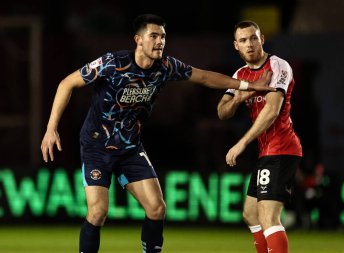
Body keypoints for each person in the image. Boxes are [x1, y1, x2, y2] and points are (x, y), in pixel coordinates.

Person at [40, 14, 274, 253]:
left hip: (130, 148)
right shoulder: (112, 63)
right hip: (97, 146)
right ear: (138, 40)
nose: (160, 41)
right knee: (98, 212)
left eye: (163, 36)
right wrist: (51, 128)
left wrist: (248, 85)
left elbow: (204, 76)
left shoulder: (166, 67)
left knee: (156, 208)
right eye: (153, 36)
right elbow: (66, 83)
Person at [217, 21, 302, 253]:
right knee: (250, 214)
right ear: (236, 46)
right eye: (243, 40)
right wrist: (243, 95)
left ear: (262, 39)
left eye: (253, 38)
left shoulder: (277, 66)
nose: (249, 44)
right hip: (266, 151)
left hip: (282, 148)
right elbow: (222, 112)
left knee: (268, 217)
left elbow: (272, 111)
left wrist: (241, 143)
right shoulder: (240, 74)